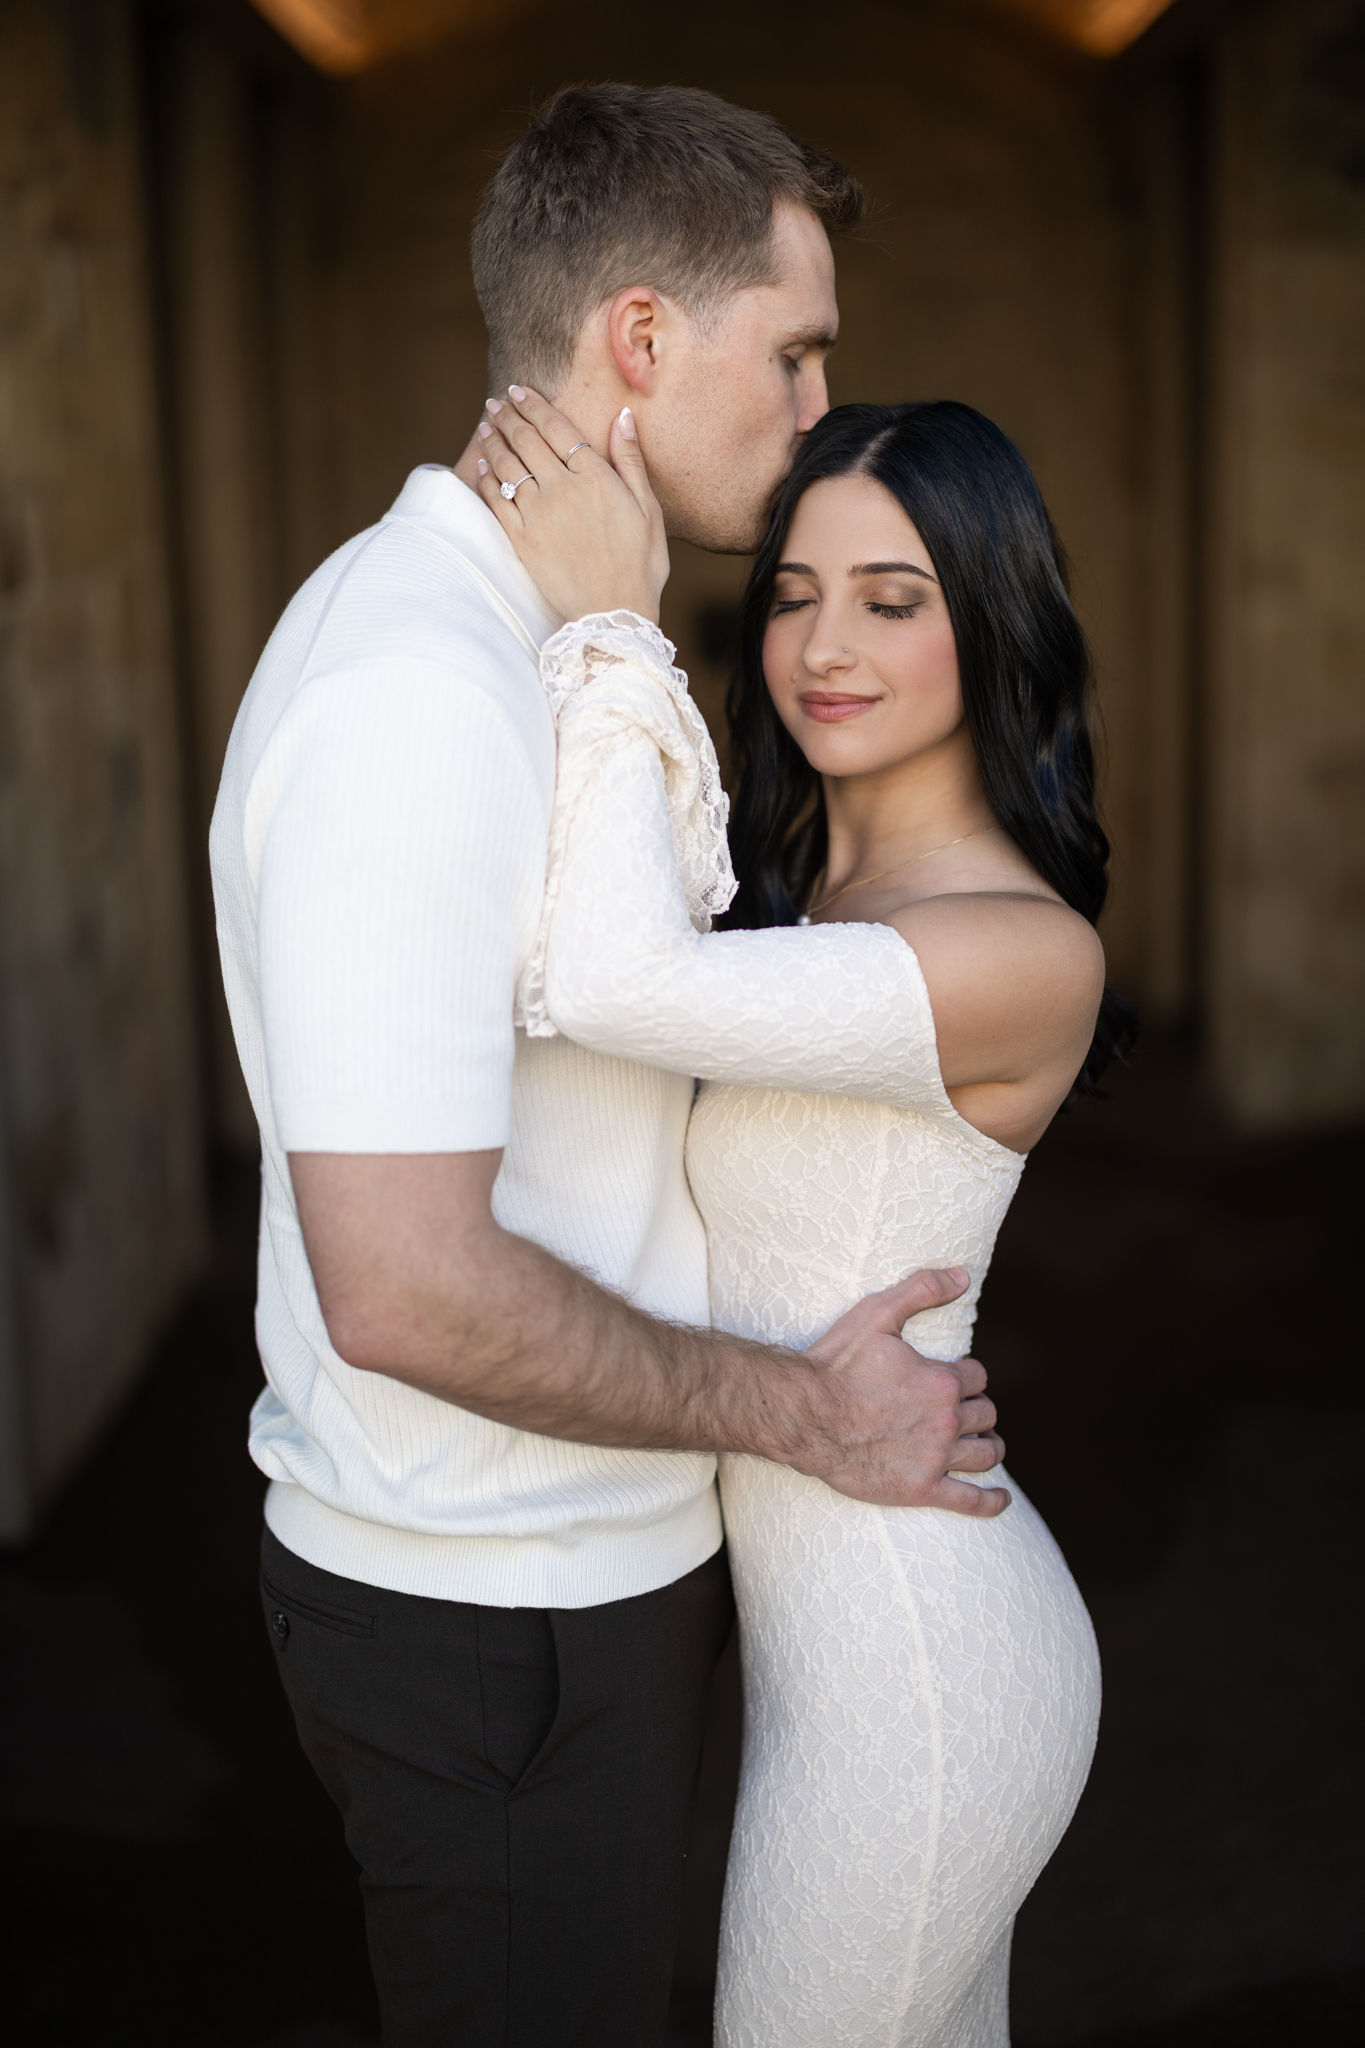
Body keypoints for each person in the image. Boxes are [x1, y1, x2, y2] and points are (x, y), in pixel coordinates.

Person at [208, 85, 1009, 2048]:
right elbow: (401, 1284)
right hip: (488, 1615)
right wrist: (803, 1415)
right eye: (794, 349)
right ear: (640, 343)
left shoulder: (549, 648)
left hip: (574, 1577)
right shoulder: (420, 687)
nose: (825, 408)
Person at [471, 386, 1124, 2044]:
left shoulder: (1016, 948)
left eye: (892, 601)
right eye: (789, 593)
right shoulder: (808, 896)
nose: (823, 645)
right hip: (833, 1654)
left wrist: (612, 619)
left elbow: (611, 980)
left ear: (990, 625)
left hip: (924, 1668)